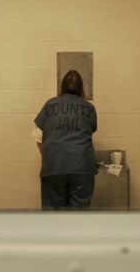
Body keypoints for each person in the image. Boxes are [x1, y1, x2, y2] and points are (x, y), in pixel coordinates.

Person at [33, 70, 98, 210]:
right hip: (82, 166)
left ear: (61, 87)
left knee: (54, 216)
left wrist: (52, 157)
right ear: (81, 88)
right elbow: (90, 132)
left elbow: (38, 137)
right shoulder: (89, 108)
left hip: (54, 165)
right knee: (79, 216)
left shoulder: (50, 104)